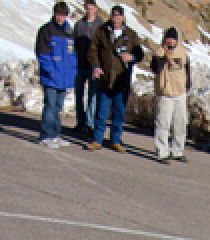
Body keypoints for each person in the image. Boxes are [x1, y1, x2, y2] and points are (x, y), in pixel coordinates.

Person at [85, 4, 144, 152]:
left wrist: (132, 56)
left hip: (121, 80)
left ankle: (115, 140)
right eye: (113, 15)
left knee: (119, 112)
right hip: (105, 78)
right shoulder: (102, 32)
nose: (115, 18)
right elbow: (92, 51)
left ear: (123, 17)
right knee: (101, 112)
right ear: (111, 16)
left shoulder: (131, 34)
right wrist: (96, 66)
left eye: (118, 15)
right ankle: (97, 139)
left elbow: (140, 54)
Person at [35, 2, 77, 149]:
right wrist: (50, 71)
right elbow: (42, 54)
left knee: (58, 108)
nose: (60, 18)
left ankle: (55, 134)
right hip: (51, 77)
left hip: (64, 77)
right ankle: (46, 135)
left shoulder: (69, 31)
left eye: (63, 15)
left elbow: (73, 55)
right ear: (54, 14)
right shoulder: (46, 30)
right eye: (58, 15)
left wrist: (73, 71)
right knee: (50, 106)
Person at [151, 27, 191, 163]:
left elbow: (187, 69)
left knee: (180, 123)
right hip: (165, 93)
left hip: (180, 92)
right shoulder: (159, 51)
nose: (171, 41)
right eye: (169, 38)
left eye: (173, 39)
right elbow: (155, 68)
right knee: (163, 123)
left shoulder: (182, 52)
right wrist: (164, 58)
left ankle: (178, 150)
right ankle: (162, 151)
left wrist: (187, 85)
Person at [72, 0, 102, 137]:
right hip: (80, 64)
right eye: (87, 8)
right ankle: (80, 121)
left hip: (94, 66)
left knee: (92, 95)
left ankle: (90, 123)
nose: (89, 11)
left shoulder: (100, 25)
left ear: (95, 9)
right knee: (79, 94)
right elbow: (74, 44)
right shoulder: (79, 24)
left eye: (91, 8)